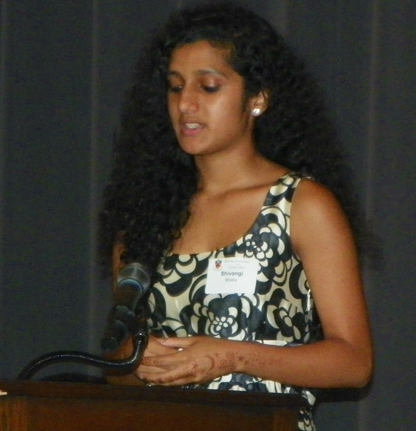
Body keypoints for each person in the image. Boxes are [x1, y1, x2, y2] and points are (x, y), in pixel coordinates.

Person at [98, 2, 374, 430]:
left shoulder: (302, 204)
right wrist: (134, 359)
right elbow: (117, 367)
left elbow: (354, 362)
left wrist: (228, 356)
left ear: (257, 98)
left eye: (208, 87)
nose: (186, 104)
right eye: (174, 87)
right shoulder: (145, 215)